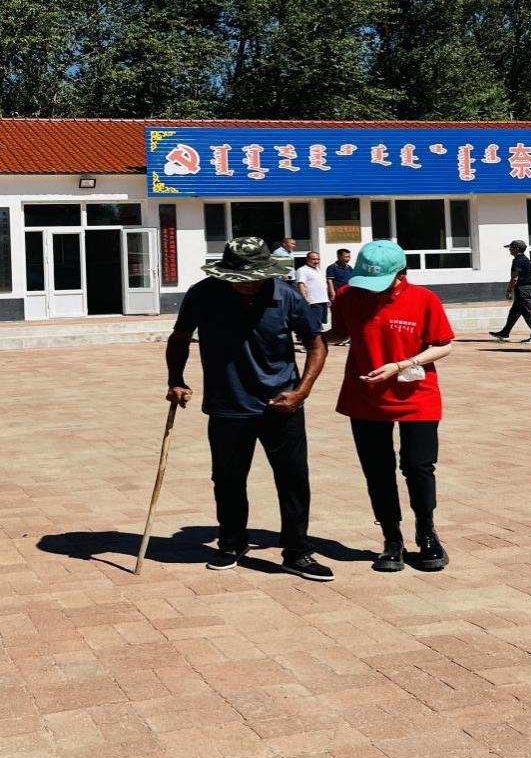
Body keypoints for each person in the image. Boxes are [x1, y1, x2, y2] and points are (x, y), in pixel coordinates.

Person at [165, 237, 333, 582]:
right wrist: (176, 379)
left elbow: (316, 344)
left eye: (253, 277)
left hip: (281, 406)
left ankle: (297, 551)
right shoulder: (203, 294)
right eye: (238, 277)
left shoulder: (286, 296)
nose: (245, 284)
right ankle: (231, 543)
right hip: (227, 405)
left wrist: (301, 391)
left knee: (293, 479)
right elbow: (180, 337)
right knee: (227, 479)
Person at [330, 240, 454, 573]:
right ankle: (391, 538)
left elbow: (443, 345)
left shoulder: (424, 300)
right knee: (377, 469)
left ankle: (426, 533)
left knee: (418, 466)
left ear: (401, 273)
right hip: (365, 395)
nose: (371, 290)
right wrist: (305, 336)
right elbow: (338, 333)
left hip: (417, 396)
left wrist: (402, 364)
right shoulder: (347, 297)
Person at [489, 240, 531, 343]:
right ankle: (504, 333)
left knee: (528, 313)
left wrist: (509, 290)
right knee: (514, 312)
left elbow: (514, 278)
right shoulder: (523, 259)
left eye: (511, 248)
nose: (509, 250)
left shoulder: (518, 260)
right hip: (525, 289)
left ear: (516, 249)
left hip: (523, 290)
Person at [295, 251, 329, 330]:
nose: (316, 261)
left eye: (318, 259)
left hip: (323, 300)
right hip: (313, 301)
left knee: (319, 323)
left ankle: (317, 335)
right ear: (307, 259)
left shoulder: (318, 270)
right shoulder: (302, 270)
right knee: (314, 323)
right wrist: (306, 299)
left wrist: (327, 298)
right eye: (313, 259)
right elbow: (301, 285)